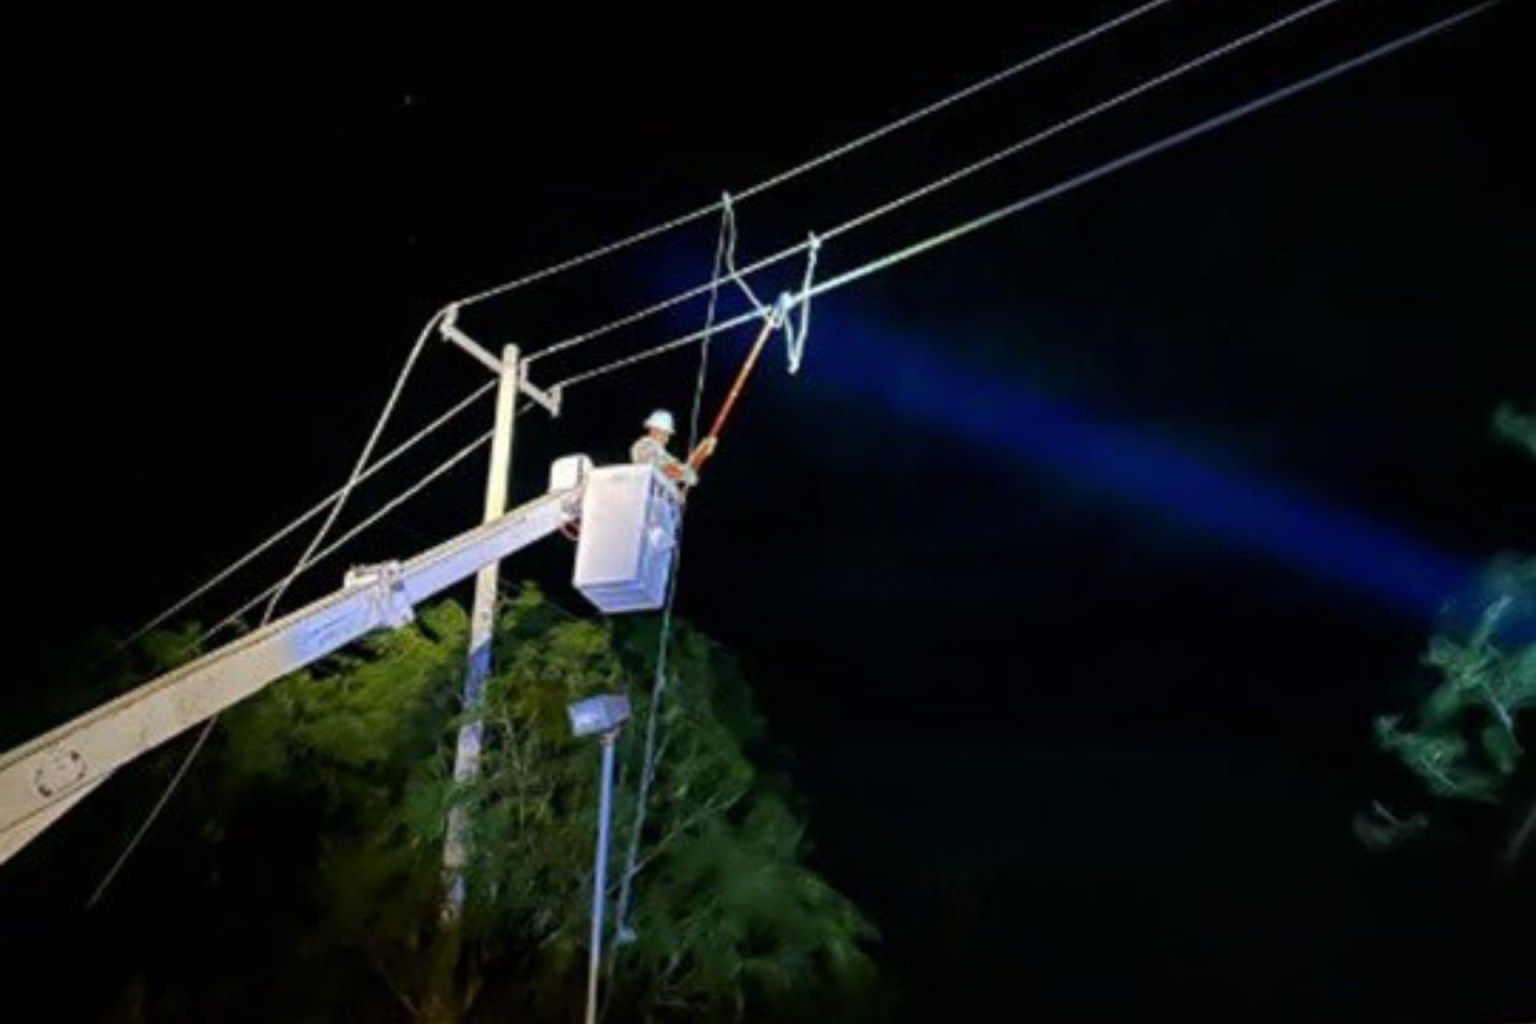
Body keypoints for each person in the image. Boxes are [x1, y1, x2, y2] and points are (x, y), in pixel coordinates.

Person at [630, 409, 715, 488]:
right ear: (653, 430)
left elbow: (684, 470)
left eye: (667, 434)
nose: (667, 437)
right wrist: (684, 474)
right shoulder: (644, 445)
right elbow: (666, 468)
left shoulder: (662, 453)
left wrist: (700, 454)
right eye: (664, 432)